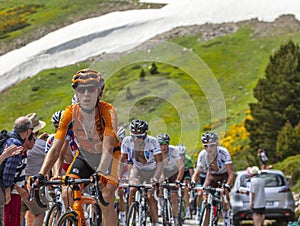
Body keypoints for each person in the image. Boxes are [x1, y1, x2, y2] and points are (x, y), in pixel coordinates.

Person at [32, 68, 120, 226]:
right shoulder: (69, 113)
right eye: (81, 89)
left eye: (91, 89)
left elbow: (108, 146)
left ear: (99, 92)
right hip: (85, 155)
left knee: (106, 196)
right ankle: (77, 219)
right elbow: (55, 148)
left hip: (110, 156)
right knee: (67, 191)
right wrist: (41, 174)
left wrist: (100, 172)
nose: (86, 94)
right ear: (77, 93)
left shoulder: (108, 111)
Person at [120, 119, 163, 226]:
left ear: (145, 135)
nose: (136, 139)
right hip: (137, 168)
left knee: (149, 196)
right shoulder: (126, 141)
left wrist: (156, 178)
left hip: (151, 170)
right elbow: (121, 161)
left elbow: (160, 163)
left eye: (139, 136)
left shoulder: (152, 142)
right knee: (132, 188)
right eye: (133, 136)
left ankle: (155, 222)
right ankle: (131, 217)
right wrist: (117, 178)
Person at [195, 132, 235, 226]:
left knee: (223, 192)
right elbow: (197, 173)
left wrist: (228, 185)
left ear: (216, 144)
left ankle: (226, 216)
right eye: (206, 146)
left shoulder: (223, 153)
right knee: (205, 195)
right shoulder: (202, 155)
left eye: (211, 146)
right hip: (211, 176)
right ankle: (206, 214)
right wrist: (193, 182)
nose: (209, 149)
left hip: (224, 175)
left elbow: (231, 173)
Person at [0, 116, 33, 226]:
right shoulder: (16, 144)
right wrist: (8, 190)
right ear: (28, 131)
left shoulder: (7, 139)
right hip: (7, 191)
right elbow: (9, 170)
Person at [20, 113, 49, 226]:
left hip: (20, 184)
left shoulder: (20, 144)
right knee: (40, 213)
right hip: (34, 185)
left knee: (20, 213)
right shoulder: (42, 145)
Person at [157, 133, 184, 225]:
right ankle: (160, 204)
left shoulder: (174, 150)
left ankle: (175, 218)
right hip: (161, 170)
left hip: (173, 172)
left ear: (168, 144)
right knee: (159, 183)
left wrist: (178, 180)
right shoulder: (155, 151)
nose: (163, 147)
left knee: (174, 196)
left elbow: (181, 167)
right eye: (161, 144)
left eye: (165, 144)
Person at [177, 144, 194, 219]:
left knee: (186, 187)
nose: (181, 157)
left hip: (185, 174)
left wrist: (192, 183)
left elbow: (191, 173)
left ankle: (187, 210)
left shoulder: (188, 159)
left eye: (182, 155)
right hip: (176, 173)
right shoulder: (173, 158)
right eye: (179, 155)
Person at [191, 149, 208, 221]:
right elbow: (196, 174)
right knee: (200, 194)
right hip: (200, 177)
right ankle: (198, 211)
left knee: (207, 195)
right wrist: (193, 182)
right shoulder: (202, 158)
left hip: (208, 177)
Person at [116, 126, 128, 226]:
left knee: (120, 192)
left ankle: (123, 217)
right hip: (115, 171)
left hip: (125, 172)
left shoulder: (127, 148)